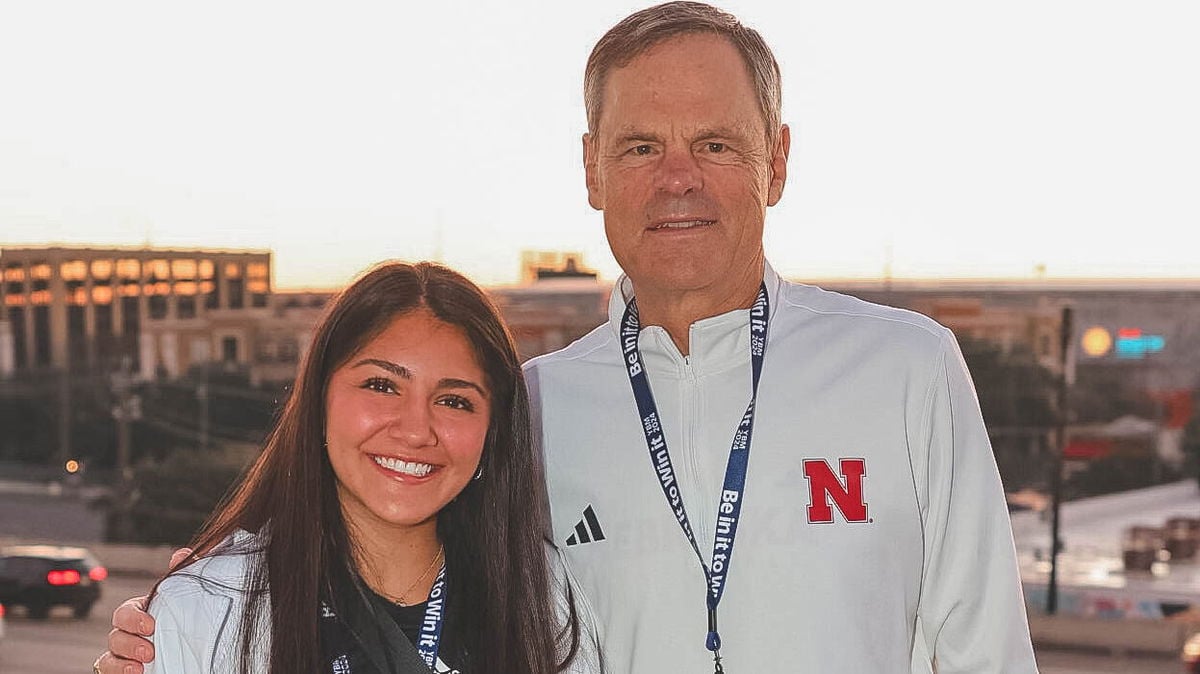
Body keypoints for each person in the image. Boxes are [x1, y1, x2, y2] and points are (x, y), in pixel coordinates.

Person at [103, 2, 1037, 672]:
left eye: (715, 143)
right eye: (640, 146)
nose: (678, 179)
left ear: (777, 160)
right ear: (591, 169)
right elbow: (384, 554)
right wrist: (209, 610)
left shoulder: (906, 368)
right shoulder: (523, 408)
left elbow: (983, 649)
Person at [96, 261, 595, 673]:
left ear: (493, 434)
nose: (416, 429)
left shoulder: (543, 598)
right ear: (319, 402)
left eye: (455, 401)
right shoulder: (209, 609)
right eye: (381, 386)